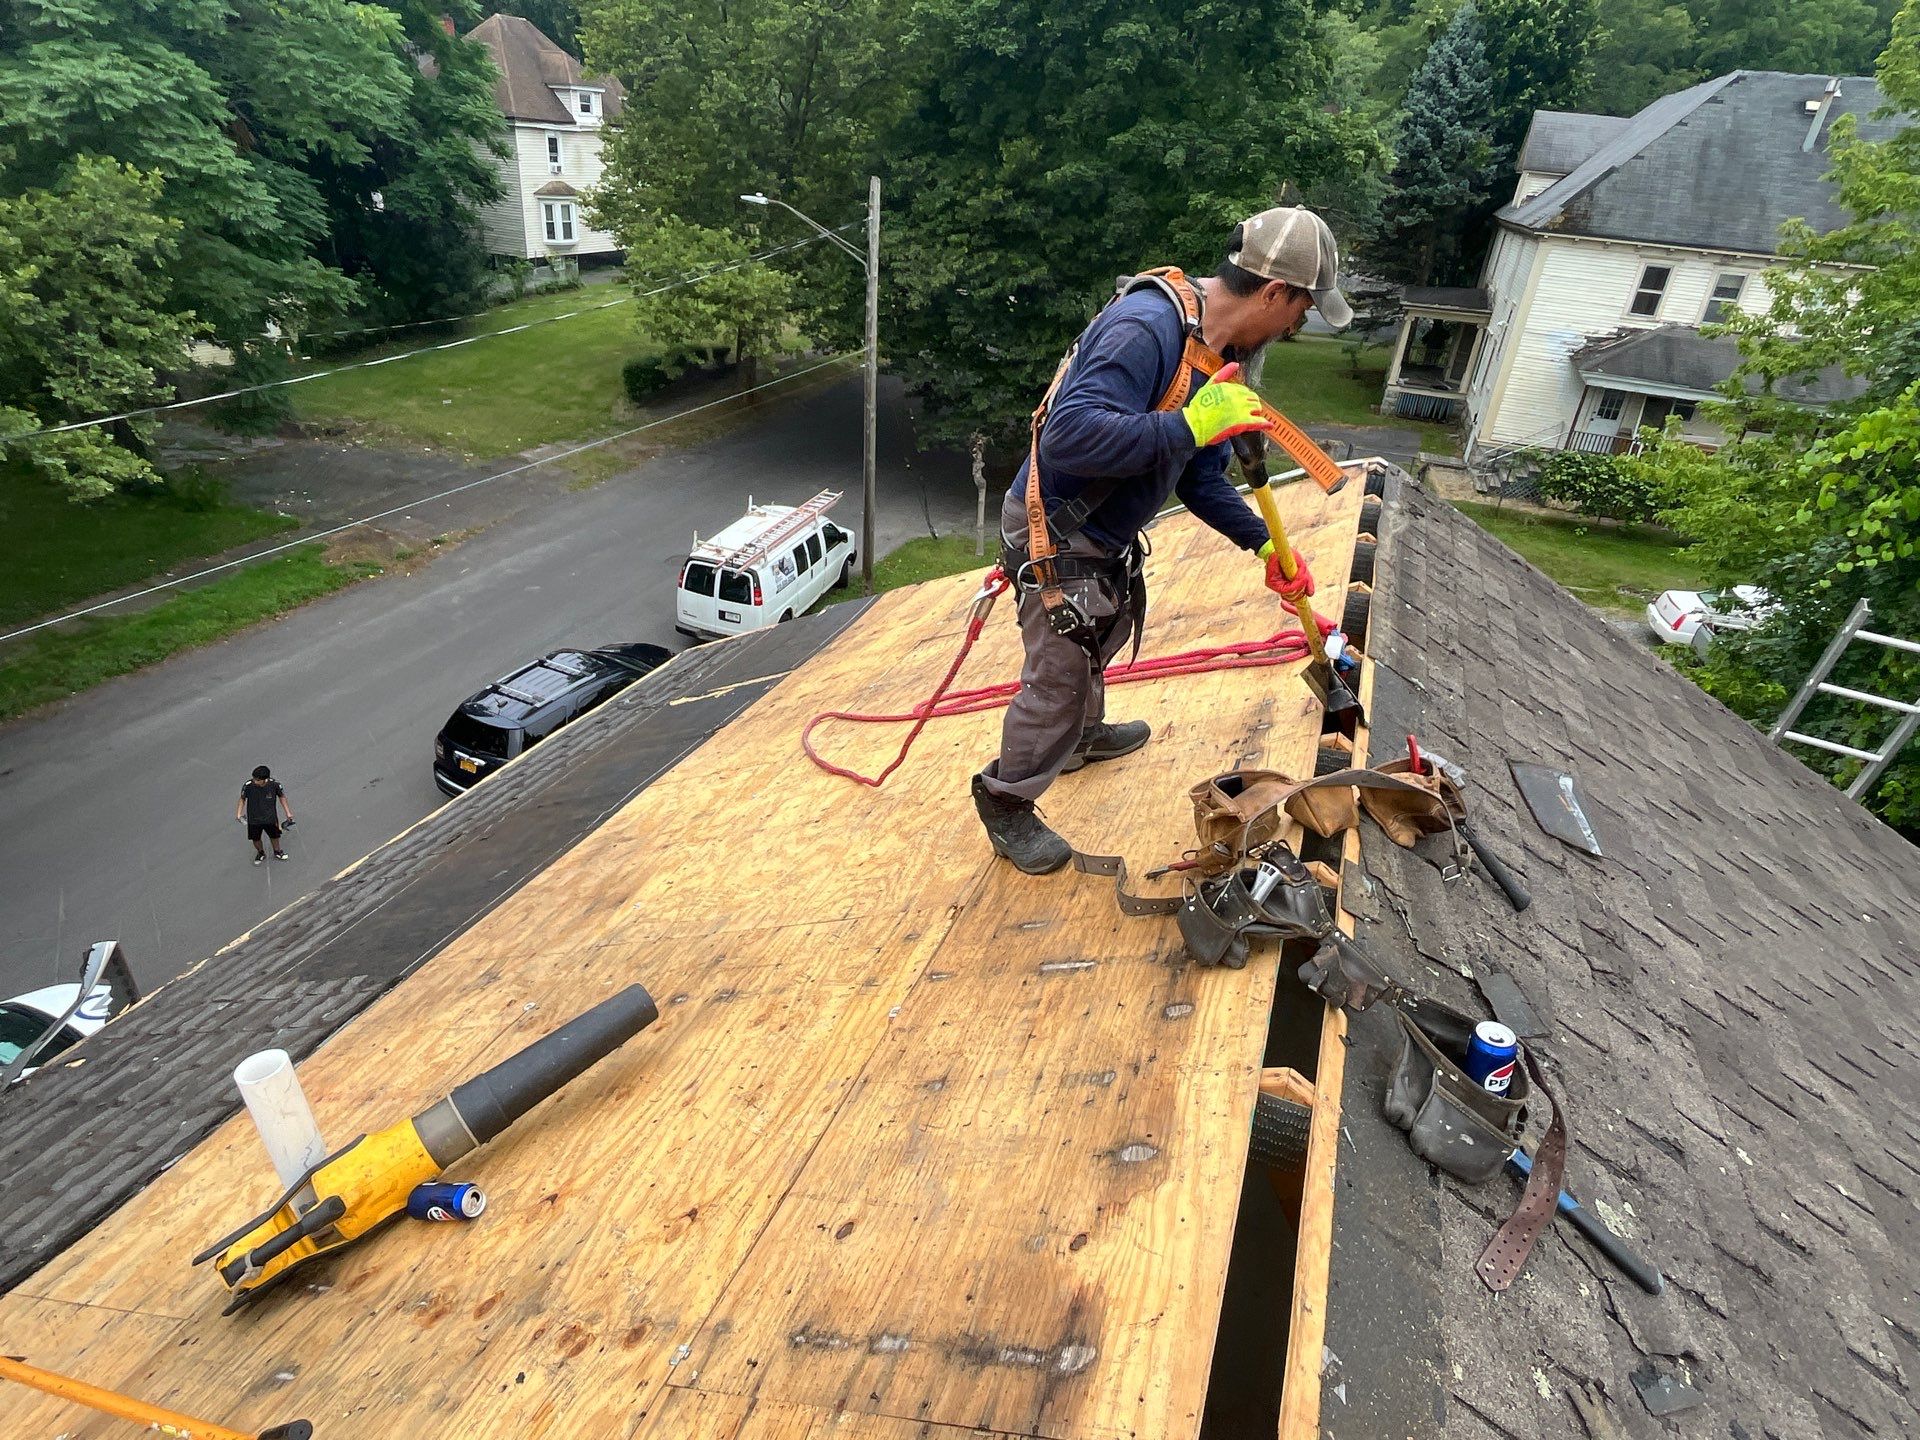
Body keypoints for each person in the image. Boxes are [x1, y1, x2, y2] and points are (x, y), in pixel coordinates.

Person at [972, 205, 1353, 874]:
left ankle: (1081, 739)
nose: (1298, 325)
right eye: (1302, 309)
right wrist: (1187, 428)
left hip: (1103, 528)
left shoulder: (1218, 352)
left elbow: (1200, 477)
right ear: (1274, 293)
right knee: (1058, 675)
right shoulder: (1145, 328)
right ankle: (1006, 800)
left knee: (1101, 632)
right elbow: (1067, 437)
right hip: (1057, 524)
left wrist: (1265, 545)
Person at [237, 765, 295, 864]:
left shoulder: (275, 785)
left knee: (274, 836)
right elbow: (242, 799)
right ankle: (260, 852)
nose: (254, 781)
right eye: (254, 778)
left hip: (270, 818)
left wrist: (288, 812)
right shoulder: (248, 785)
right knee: (255, 838)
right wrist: (239, 814)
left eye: (257, 779)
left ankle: (277, 851)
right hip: (253, 819)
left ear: (265, 779)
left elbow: (282, 797)